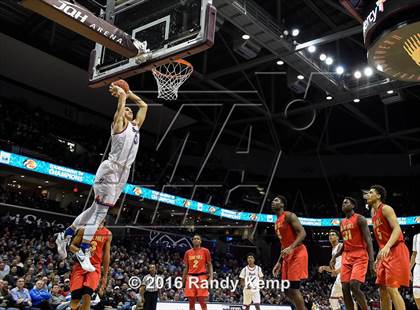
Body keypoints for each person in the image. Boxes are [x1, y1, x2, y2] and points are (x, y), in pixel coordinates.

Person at [56, 79, 147, 272]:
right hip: (111, 169)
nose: (129, 110)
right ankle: (83, 249)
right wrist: (121, 94)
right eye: (126, 110)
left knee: (94, 209)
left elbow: (143, 105)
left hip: (124, 172)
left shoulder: (135, 126)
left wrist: (128, 92)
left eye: (130, 111)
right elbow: (121, 107)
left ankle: (66, 234)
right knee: (100, 212)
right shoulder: (118, 125)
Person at [366, 185, 410, 309]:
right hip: (385, 252)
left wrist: (387, 247)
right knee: (383, 289)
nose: (367, 195)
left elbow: (397, 229)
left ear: (378, 195)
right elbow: (382, 238)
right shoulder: (373, 213)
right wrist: (378, 257)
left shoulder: (385, 209)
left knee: (392, 288)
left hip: (396, 249)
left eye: (371, 192)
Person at [331, 197, 374, 310]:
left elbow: (369, 240)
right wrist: (335, 256)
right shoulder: (342, 222)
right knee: (345, 288)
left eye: (346, 202)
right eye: (343, 202)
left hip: (360, 255)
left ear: (353, 205)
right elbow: (345, 243)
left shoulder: (360, 219)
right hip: (347, 256)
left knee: (354, 285)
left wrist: (371, 261)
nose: (343, 204)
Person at [271, 195, 308, 310]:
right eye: (272, 200)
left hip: (297, 252)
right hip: (287, 255)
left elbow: (302, 233)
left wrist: (291, 247)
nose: (273, 202)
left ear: (282, 204)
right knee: (286, 290)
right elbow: (283, 244)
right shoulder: (277, 222)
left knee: (293, 288)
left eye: (276, 200)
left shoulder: (288, 215)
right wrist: (279, 262)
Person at [68, 220, 112, 310]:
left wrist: (105, 275)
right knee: (75, 301)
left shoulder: (107, 233)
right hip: (80, 265)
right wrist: (82, 253)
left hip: (95, 266)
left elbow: (106, 255)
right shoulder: (83, 229)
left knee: (87, 295)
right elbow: (72, 246)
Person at [182, 235, 213, 310]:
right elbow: (186, 267)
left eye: (198, 239)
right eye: (194, 239)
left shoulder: (205, 251)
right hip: (190, 277)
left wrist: (211, 277)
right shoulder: (187, 252)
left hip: (202, 277)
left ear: (200, 241)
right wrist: (183, 281)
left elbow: (209, 264)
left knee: (202, 301)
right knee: (191, 302)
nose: (196, 240)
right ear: (192, 241)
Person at [318, 230, 343, 310]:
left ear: (338, 237)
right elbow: (333, 269)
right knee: (333, 300)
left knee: (348, 298)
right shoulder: (333, 249)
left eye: (333, 234)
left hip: (344, 274)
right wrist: (324, 267)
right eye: (329, 235)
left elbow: (347, 262)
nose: (330, 236)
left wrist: (338, 271)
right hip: (339, 275)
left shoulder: (341, 246)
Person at [411, 232, 420, 309]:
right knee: (416, 292)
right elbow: (414, 254)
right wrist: (408, 270)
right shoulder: (416, 236)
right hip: (418, 265)